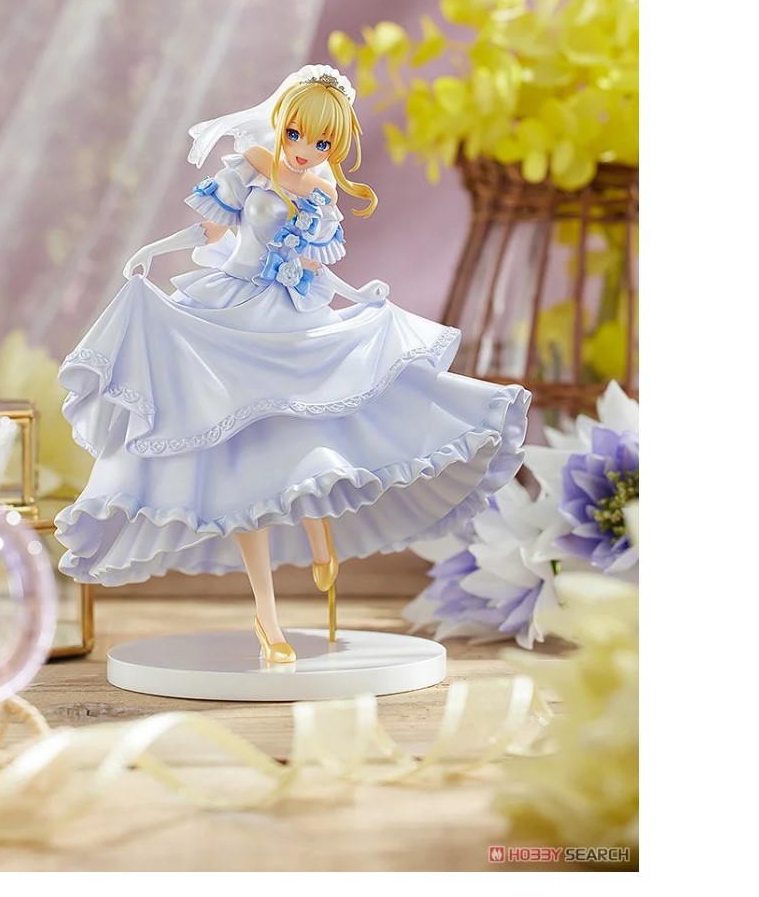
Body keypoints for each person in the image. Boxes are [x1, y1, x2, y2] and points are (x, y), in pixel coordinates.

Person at [55, 65, 530, 664]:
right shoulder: (249, 169)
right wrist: (154, 251)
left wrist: (358, 296)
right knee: (242, 462)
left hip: (288, 317)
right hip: (230, 313)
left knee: (307, 432)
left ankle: (319, 539)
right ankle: (267, 617)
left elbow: (313, 267)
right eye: (298, 135)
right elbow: (209, 230)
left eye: (323, 143)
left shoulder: (320, 194)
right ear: (281, 122)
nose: (306, 150)